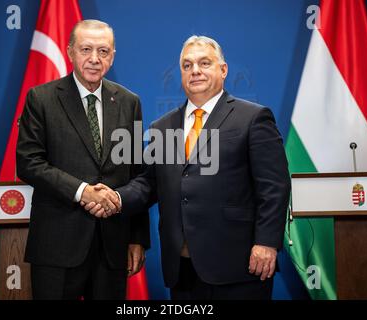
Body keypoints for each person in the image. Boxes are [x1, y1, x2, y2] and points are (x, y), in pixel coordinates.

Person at [86, 35, 291, 300]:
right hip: (182, 270)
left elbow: (274, 186)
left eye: (204, 63)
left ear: (223, 70)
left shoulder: (253, 117)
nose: (195, 71)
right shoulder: (163, 126)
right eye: (187, 65)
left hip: (238, 266)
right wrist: (115, 197)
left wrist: (266, 242)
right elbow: (148, 183)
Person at [16, 19, 149, 300]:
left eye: (103, 51)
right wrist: (83, 192)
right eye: (86, 49)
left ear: (112, 56)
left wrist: (137, 238)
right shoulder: (41, 98)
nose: (94, 59)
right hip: (57, 244)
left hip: (112, 245)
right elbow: (29, 163)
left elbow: (138, 173)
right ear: (70, 52)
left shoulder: (129, 102)